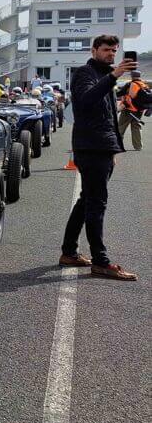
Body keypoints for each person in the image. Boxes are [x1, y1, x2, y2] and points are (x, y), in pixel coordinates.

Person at [60, 34, 137, 280]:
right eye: (106, 50)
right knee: (96, 203)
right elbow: (84, 102)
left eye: (114, 51)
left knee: (87, 201)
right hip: (90, 148)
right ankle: (101, 262)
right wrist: (113, 76)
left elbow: (107, 116)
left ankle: (69, 252)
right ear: (94, 50)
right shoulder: (85, 73)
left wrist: (112, 148)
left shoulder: (104, 77)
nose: (111, 55)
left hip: (100, 147)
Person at [117, 70, 147, 151]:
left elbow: (124, 95)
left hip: (128, 109)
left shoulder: (131, 84)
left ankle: (117, 145)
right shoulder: (143, 85)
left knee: (121, 127)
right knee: (136, 127)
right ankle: (138, 146)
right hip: (139, 110)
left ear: (132, 76)